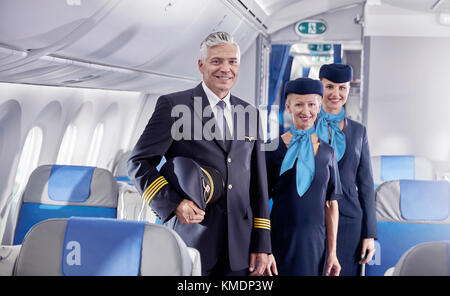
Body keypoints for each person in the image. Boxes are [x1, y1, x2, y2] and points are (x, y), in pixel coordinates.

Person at [127, 32, 276, 276]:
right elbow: (138, 162)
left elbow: (259, 187)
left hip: (240, 246)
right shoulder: (175, 106)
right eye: (216, 61)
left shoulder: (250, 113)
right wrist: (174, 204)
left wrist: (263, 244)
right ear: (201, 65)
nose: (225, 69)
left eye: (232, 62)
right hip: (192, 241)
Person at [266, 77, 342, 276]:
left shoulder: (328, 152)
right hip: (279, 241)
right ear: (289, 107)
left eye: (311, 104)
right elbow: (259, 202)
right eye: (298, 104)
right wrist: (262, 248)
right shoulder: (271, 148)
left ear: (319, 107)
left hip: (316, 244)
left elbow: (331, 204)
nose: (305, 111)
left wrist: (332, 253)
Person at [317, 63, 377, 276]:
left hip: (349, 221)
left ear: (348, 90)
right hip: (313, 218)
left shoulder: (359, 132)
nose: (336, 93)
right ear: (320, 87)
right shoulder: (304, 127)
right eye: (330, 86)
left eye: (342, 88)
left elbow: (367, 184)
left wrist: (369, 233)